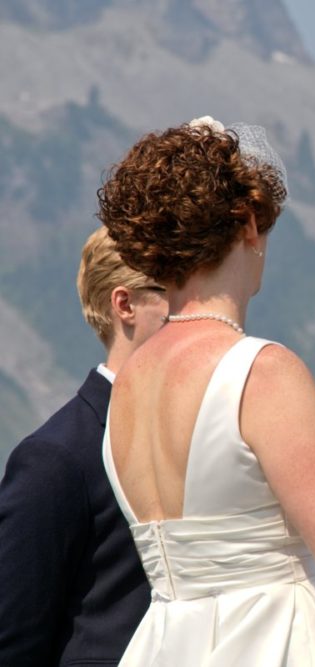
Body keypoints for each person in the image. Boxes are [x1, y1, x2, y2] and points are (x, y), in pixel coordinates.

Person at [96, 117, 315, 666]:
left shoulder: (127, 385)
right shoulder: (261, 371)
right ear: (245, 224)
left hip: (166, 643)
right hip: (280, 641)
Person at [0, 227, 165, 664]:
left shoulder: (196, 434)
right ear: (125, 304)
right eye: (174, 292)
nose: (194, 314)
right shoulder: (55, 459)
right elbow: (13, 638)